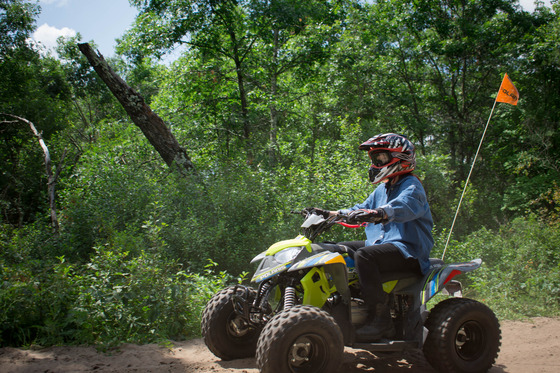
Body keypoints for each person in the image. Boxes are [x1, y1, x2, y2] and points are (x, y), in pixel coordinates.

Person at [317, 133, 434, 342]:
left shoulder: (412, 186)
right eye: (374, 160)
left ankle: (381, 321)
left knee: (365, 256)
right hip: (382, 244)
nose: (375, 164)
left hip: (409, 251)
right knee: (335, 249)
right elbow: (360, 209)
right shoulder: (384, 188)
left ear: (401, 158)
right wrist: (328, 214)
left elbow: (402, 207)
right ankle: (342, 306)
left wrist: (379, 213)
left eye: (380, 159)